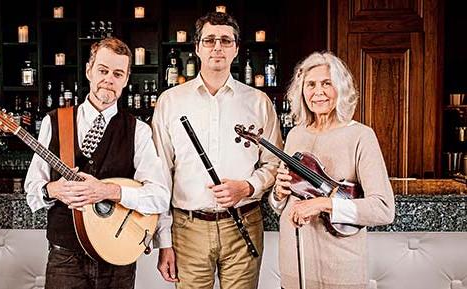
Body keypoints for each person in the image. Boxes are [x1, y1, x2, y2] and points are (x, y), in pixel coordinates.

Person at [24, 37, 170, 289]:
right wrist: (53, 189)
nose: (109, 79)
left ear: (126, 80)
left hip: (118, 257)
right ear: (89, 70)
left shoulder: (138, 131)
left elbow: (158, 197)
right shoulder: (56, 122)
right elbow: (32, 188)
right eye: (103, 70)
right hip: (65, 258)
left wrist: (108, 191)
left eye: (117, 73)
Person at [152, 12, 282, 289]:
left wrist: (247, 187)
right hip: (187, 229)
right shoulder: (170, 101)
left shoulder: (259, 102)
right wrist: (164, 241)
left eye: (226, 40)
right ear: (197, 47)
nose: (217, 47)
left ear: (236, 48)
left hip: (244, 223)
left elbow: (274, 164)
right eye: (209, 40)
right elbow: (160, 174)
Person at [269, 51, 395, 289]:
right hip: (294, 267)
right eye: (311, 85)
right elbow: (282, 206)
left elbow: (383, 209)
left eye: (327, 83)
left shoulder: (360, 136)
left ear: (342, 89)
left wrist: (324, 204)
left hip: (340, 270)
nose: (318, 92)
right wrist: (278, 194)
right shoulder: (296, 134)